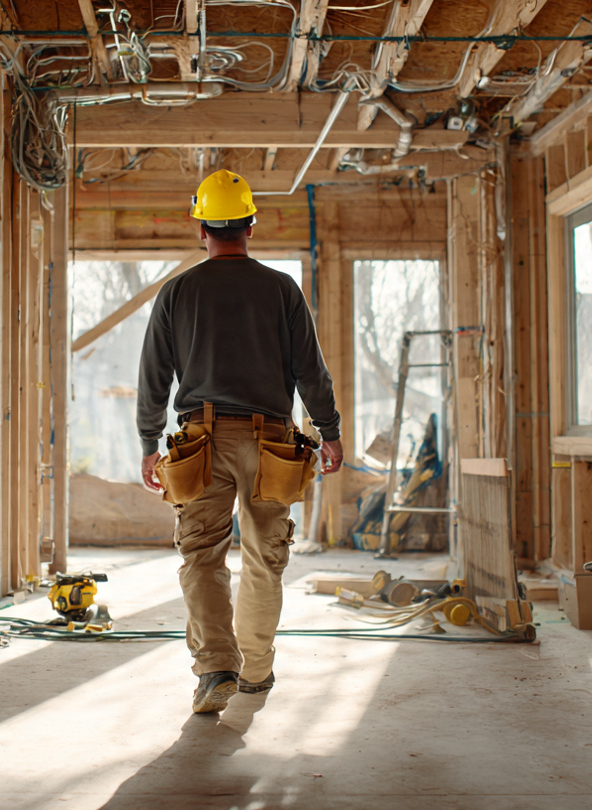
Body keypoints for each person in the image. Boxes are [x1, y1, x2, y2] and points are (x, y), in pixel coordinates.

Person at [137, 169, 344, 715]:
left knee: (202, 556)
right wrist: (330, 431)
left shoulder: (177, 292)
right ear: (251, 224)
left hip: (200, 443)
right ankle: (254, 670)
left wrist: (148, 442)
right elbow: (310, 372)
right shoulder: (280, 289)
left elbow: (154, 377)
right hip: (273, 442)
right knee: (264, 557)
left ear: (199, 225)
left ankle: (216, 669)